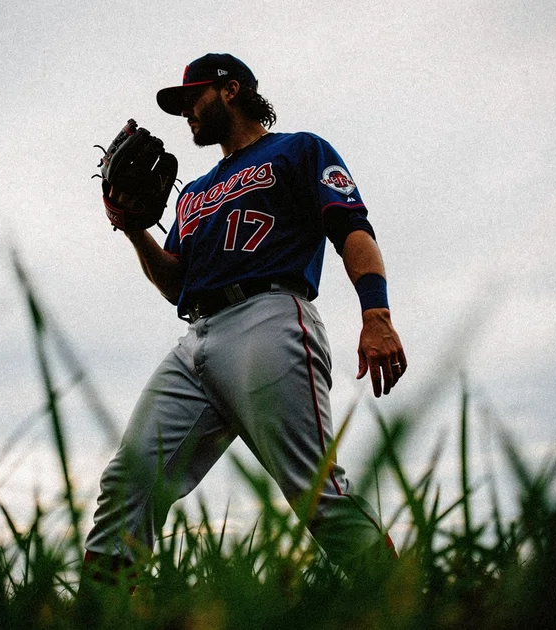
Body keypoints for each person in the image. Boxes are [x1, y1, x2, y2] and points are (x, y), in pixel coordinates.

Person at [83, 53, 407, 582]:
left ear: (230, 90)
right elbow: (175, 285)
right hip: (197, 337)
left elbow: (352, 228)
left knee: (314, 491)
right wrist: (132, 227)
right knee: (130, 479)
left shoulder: (299, 149)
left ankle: (404, 600)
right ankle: (103, 613)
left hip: (271, 315)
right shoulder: (192, 192)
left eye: (193, 98)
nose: (186, 111)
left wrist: (376, 314)